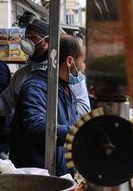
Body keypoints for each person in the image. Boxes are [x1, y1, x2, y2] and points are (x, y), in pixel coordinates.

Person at [10, 35, 84, 176]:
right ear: (70, 61)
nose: (85, 68)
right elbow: (37, 128)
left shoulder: (66, 91)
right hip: (36, 183)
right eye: (84, 61)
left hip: (60, 179)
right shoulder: (36, 88)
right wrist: (82, 132)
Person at [0, 20, 90, 118]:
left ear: (47, 41)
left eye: (33, 38)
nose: (27, 43)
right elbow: (5, 105)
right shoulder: (20, 75)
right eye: (26, 38)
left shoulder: (66, 72)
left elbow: (84, 110)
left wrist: (42, 109)